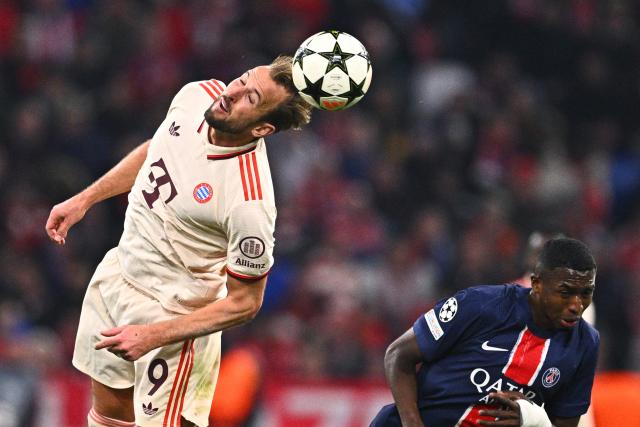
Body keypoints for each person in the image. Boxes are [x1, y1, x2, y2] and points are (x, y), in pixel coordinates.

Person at [45, 55, 312, 427]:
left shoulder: (249, 203)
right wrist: (86, 199)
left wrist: (153, 335)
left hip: (171, 316)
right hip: (118, 275)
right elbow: (159, 147)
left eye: (251, 98)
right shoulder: (196, 95)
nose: (232, 92)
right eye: (242, 79)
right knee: (107, 418)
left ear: (262, 129)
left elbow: (245, 303)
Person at [370, 237, 599, 427]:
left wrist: (533, 419)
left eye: (586, 292)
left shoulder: (585, 344)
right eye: (565, 292)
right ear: (537, 284)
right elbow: (398, 355)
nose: (576, 305)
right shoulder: (481, 304)